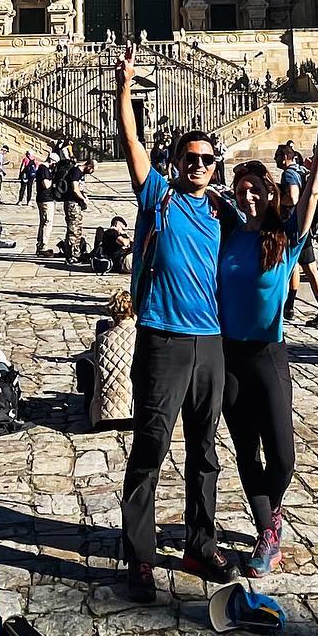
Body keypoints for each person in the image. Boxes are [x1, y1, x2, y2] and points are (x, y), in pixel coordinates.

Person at [115, 41, 234, 602]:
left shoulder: (223, 209)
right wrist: (125, 87)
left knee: (205, 449)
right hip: (162, 336)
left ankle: (200, 542)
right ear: (176, 163)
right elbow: (132, 143)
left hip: (210, 341)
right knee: (151, 444)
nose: (198, 165)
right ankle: (139, 553)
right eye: (190, 158)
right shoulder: (158, 195)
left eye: (206, 159)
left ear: (215, 166)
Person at [218, 122, 318, 577]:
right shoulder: (228, 234)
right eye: (241, 190)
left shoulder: (285, 238)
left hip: (267, 353)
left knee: (282, 455)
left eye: (255, 189)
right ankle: (267, 531)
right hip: (229, 354)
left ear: (270, 192)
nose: (248, 196)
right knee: (246, 450)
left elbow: (311, 195)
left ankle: (273, 512)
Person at [276, 143, 318, 325]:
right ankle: (289, 307)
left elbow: (293, 198)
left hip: (294, 227)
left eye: (277, 156)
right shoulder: (301, 170)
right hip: (304, 224)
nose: (275, 159)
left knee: (308, 269)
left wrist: (276, 200)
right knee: (298, 266)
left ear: (284, 157)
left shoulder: (289, 174)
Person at [77, 290, 136, 428]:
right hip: (132, 414)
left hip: (103, 416)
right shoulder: (140, 335)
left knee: (86, 362)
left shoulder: (102, 338)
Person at [58, 151, 89, 263]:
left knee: (76, 229)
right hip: (72, 204)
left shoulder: (79, 172)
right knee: (74, 230)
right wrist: (83, 199)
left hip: (75, 204)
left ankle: (73, 253)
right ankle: (72, 255)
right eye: (93, 170)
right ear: (89, 166)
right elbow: (75, 189)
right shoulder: (76, 172)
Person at [34, 151, 59, 256]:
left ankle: (41, 245)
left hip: (43, 198)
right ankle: (43, 246)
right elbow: (46, 184)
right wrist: (54, 179)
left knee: (44, 221)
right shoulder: (44, 169)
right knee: (47, 222)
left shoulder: (43, 169)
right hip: (45, 199)